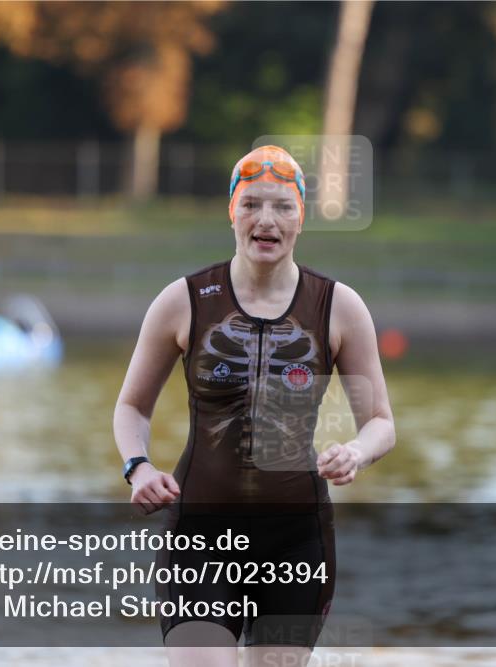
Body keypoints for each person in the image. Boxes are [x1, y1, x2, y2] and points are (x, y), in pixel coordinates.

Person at [113, 144, 395, 667]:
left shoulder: (338, 306)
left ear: (301, 218)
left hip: (295, 542)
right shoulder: (185, 300)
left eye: (283, 206)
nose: (266, 220)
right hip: (199, 536)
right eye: (251, 204)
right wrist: (139, 467)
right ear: (232, 213)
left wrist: (356, 452)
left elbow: (380, 422)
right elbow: (132, 407)